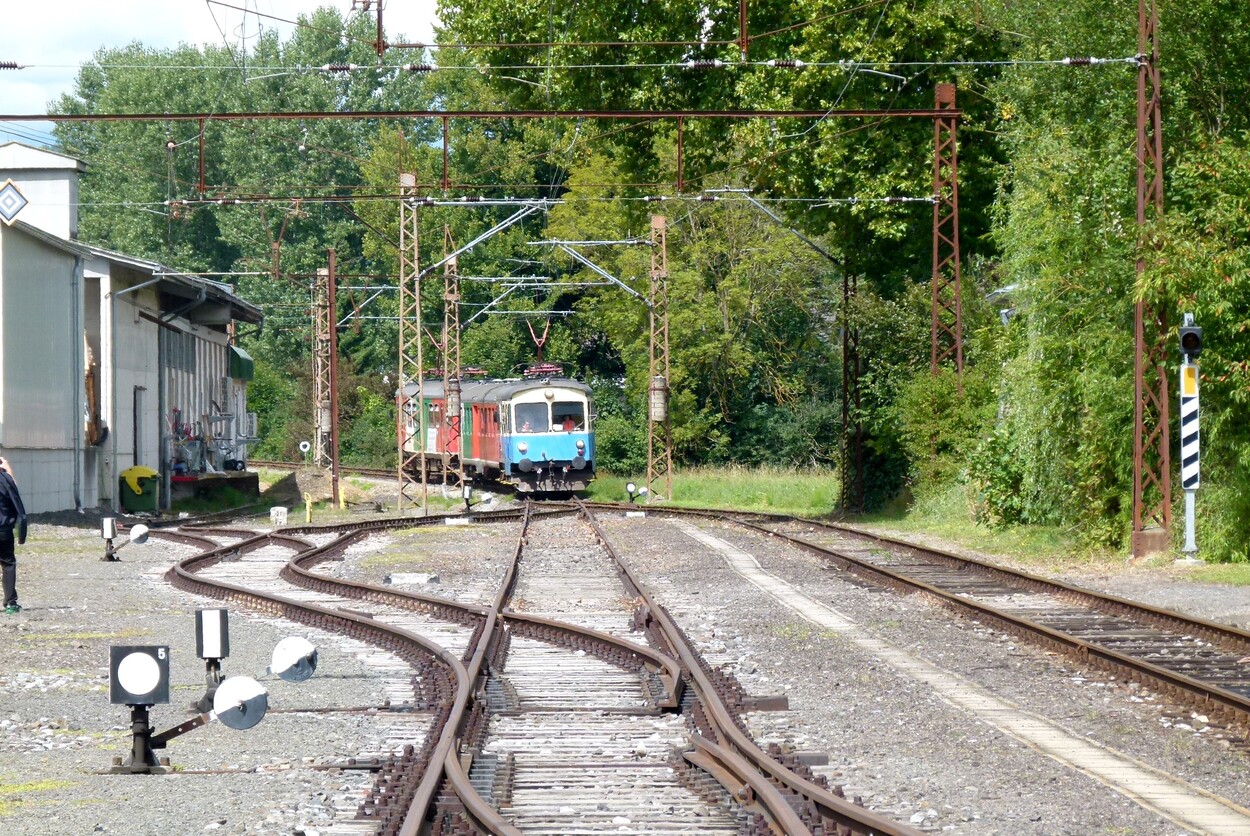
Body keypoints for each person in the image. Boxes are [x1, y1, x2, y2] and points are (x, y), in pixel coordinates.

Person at [0, 456, 27, 615]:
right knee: (8, 564)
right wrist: (8, 469)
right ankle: (10, 603)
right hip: (3, 529)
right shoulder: (5, 479)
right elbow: (14, 492)